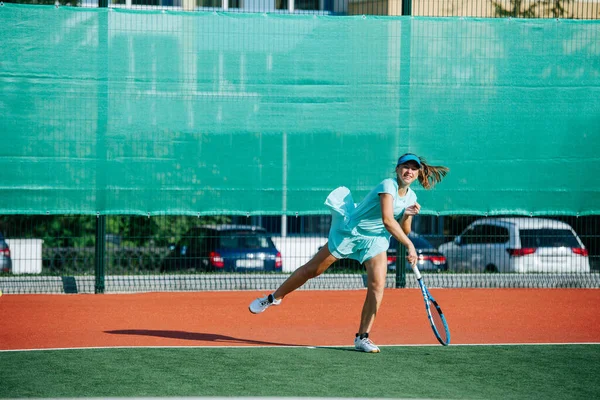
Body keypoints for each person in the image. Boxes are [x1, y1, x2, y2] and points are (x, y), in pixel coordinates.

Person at [248, 153, 449, 353]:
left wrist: (406, 215)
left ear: (418, 172)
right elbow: (388, 220)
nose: (409, 171)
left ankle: (363, 337)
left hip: (375, 240)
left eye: (414, 168)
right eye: (405, 167)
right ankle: (274, 297)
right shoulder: (388, 185)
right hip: (351, 231)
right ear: (397, 169)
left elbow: (403, 230)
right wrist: (410, 245)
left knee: (378, 286)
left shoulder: (412, 197)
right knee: (312, 270)